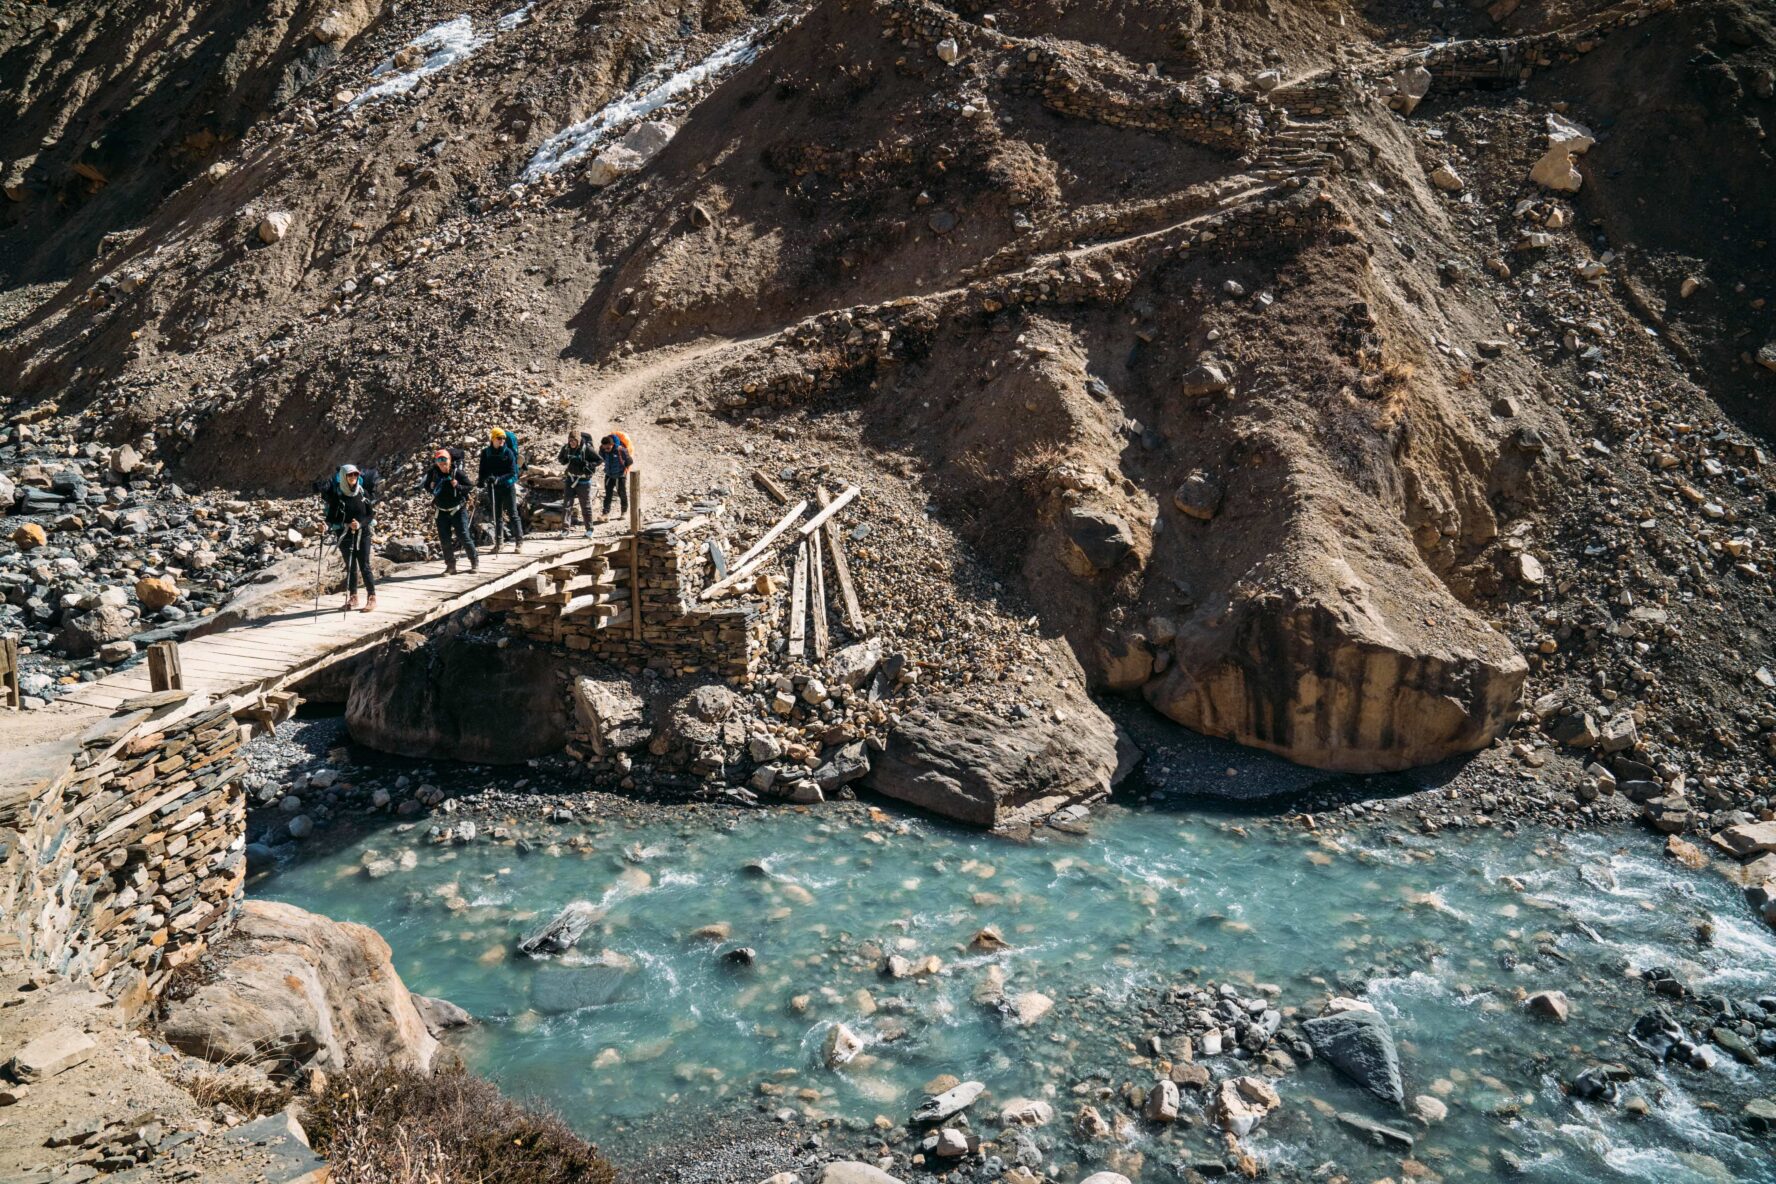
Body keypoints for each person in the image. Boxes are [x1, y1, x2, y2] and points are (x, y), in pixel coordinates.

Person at [319, 463, 378, 612]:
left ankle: (372, 598)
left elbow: (370, 515)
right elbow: (331, 517)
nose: (353, 477)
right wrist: (325, 526)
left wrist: (359, 524)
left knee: (364, 565)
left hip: (362, 533)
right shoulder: (337, 496)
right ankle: (353, 597)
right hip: (344, 534)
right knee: (351, 566)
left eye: (355, 475)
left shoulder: (363, 493)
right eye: (350, 475)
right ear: (343, 477)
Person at [422, 447, 478, 574]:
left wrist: (457, 486)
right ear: (436, 461)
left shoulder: (458, 473)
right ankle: (450, 566)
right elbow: (426, 486)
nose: (442, 462)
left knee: (464, 536)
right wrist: (431, 488)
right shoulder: (433, 473)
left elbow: (469, 487)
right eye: (439, 459)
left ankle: (474, 562)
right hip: (441, 510)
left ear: (450, 459)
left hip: (457, 509)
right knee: (444, 539)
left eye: (444, 459)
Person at [477, 427, 523, 552]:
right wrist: (481, 481)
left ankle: (519, 542)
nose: (502, 440)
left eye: (503, 438)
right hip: (493, 488)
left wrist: (497, 479)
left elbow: (513, 473)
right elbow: (483, 470)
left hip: (507, 487)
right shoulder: (486, 453)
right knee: (497, 516)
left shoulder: (508, 453)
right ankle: (499, 543)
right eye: (499, 438)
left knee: (513, 514)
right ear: (492, 439)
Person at [556, 429, 597, 537]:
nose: (571, 443)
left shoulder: (587, 449)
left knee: (585, 505)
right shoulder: (566, 448)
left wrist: (588, 465)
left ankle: (589, 529)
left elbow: (599, 460)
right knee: (567, 505)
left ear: (578, 440)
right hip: (570, 479)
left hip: (583, 481)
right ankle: (565, 530)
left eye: (574, 440)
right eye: (570, 440)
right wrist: (565, 458)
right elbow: (561, 459)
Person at [598, 433, 632, 521]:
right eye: (604, 448)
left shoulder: (621, 450)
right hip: (609, 475)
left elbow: (630, 461)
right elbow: (600, 459)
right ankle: (605, 514)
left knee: (622, 493)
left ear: (612, 445)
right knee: (608, 494)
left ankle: (624, 512)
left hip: (620, 475)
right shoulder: (602, 450)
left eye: (608, 448)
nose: (606, 450)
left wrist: (623, 470)